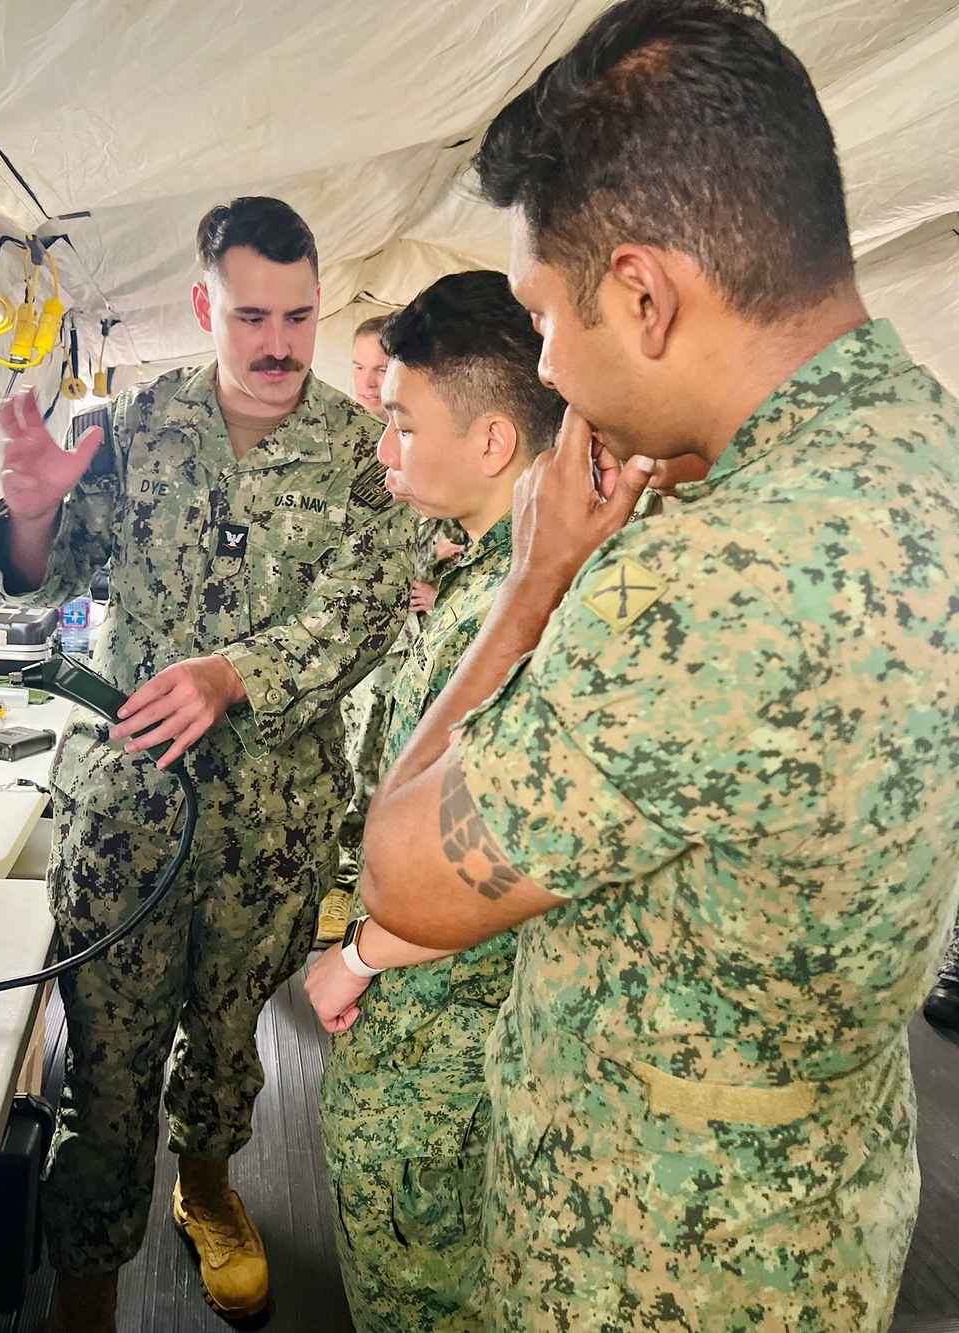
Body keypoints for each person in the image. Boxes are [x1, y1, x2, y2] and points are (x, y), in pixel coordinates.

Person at [354, 3, 959, 1331]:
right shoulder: (919, 441)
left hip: (644, 1254)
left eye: (544, 318)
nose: (550, 368)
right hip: (815, 1203)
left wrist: (531, 590)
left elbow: (402, 870)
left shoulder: (712, 578)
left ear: (642, 290)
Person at [0, 196, 415, 1333]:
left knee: (227, 1036)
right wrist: (26, 514)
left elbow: (363, 612)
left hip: (266, 827)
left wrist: (237, 672)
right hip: (124, 808)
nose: (278, 343)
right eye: (252, 313)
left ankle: (209, 1186)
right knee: (106, 1064)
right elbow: (42, 577)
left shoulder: (363, 454)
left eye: (301, 316)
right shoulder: (135, 423)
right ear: (202, 306)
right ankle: (87, 1280)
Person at [306, 269, 564, 1331]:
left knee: (425, 1294)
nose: (383, 446)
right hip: (445, 1026)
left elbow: (505, 850)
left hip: (453, 1052)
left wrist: (359, 953)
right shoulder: (497, 574)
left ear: (494, 440)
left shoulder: (526, 605)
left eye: (404, 422)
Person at [317, 315, 464, 943]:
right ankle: (339, 884)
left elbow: (467, 544)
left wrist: (440, 588)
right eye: (359, 368)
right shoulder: (337, 452)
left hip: (409, 648)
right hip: (349, 647)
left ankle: (361, 890)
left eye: (380, 369)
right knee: (348, 760)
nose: (368, 383)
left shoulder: (432, 447)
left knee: (383, 765)